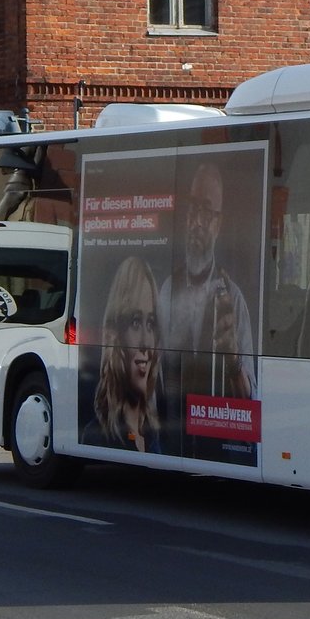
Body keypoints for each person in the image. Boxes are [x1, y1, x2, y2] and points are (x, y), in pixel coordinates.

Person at [158, 162, 257, 399]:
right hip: (176, 428)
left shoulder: (233, 300)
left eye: (206, 211)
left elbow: (251, 399)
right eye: (193, 208)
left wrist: (233, 362)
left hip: (215, 427)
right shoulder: (167, 290)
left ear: (218, 224)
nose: (197, 222)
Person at [84, 255, 163, 452]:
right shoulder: (96, 437)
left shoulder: (156, 436)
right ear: (116, 335)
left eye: (151, 323)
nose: (146, 342)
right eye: (135, 322)